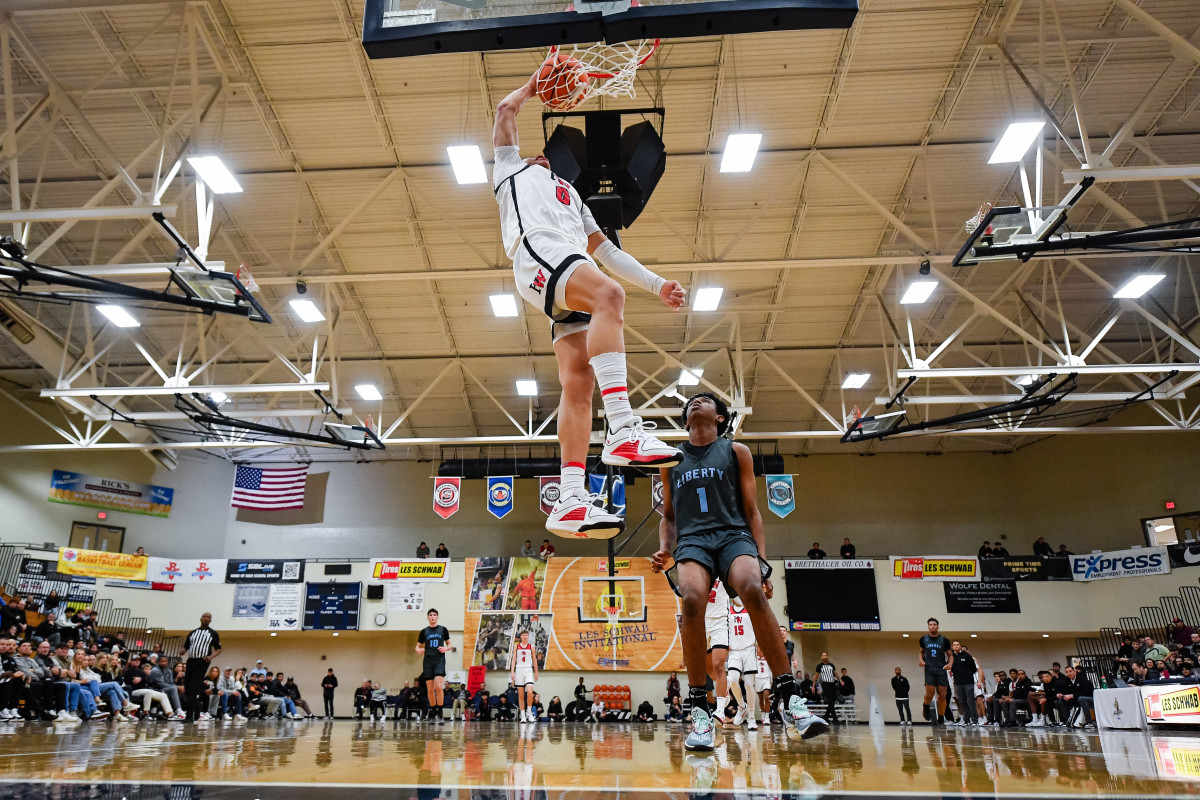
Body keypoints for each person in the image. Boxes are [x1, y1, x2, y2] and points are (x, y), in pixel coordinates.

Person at [492, 73, 686, 541]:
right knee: (610, 296)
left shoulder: (573, 195)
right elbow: (504, 111)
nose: (544, 157)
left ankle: (571, 498)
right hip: (539, 253)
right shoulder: (510, 169)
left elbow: (610, 254)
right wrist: (533, 87)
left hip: (572, 265)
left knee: (578, 383)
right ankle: (622, 427)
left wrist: (658, 284)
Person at [653, 391, 827, 752]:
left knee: (749, 586)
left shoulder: (736, 452)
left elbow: (753, 511)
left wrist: (762, 564)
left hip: (733, 534)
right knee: (692, 599)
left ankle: (791, 699)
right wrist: (665, 549)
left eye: (705, 400)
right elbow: (668, 517)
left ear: (720, 417)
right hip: (693, 541)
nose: (696, 402)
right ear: (686, 419)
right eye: (691, 403)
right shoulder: (670, 460)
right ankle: (700, 709)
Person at [181, 612, 221, 722]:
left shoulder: (213, 633)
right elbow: (186, 646)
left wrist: (211, 656)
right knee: (187, 687)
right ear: (201, 618)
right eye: (204, 616)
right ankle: (198, 706)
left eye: (208, 617)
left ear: (210, 620)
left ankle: (189, 716)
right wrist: (183, 651)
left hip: (203, 661)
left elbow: (218, 649)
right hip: (191, 661)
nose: (206, 618)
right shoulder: (193, 632)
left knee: (193, 686)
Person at [726, 598, 759, 730]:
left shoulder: (750, 608)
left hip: (749, 649)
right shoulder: (728, 610)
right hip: (734, 651)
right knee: (732, 679)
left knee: (749, 684)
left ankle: (751, 717)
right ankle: (741, 706)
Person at [703, 577, 732, 724]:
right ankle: (726, 684)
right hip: (701, 621)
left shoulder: (724, 569)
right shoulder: (699, 569)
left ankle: (720, 710)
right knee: (709, 669)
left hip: (720, 621)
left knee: (718, 664)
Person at [416, 608, 451, 724]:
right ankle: (432, 711)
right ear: (427, 617)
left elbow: (450, 645)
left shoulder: (443, 630)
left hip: (439, 660)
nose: (432, 616)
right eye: (430, 615)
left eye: (434, 615)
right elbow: (417, 646)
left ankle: (440, 713)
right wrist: (418, 649)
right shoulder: (424, 631)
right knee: (430, 689)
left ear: (437, 617)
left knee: (438, 685)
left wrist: (446, 648)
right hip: (428, 661)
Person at [918, 618, 952, 726]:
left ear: (938, 626)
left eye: (934, 624)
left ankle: (941, 717)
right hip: (929, 669)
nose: (932, 626)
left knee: (942, 695)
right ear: (928, 626)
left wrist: (950, 664)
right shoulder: (923, 639)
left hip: (941, 669)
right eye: (930, 624)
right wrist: (921, 660)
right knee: (930, 693)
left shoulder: (944, 640)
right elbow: (921, 653)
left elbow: (950, 655)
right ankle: (926, 705)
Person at [510, 629, 539, 723]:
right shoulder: (516, 646)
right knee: (521, 694)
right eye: (523, 635)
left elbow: (534, 660)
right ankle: (522, 715)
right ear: (520, 637)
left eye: (526, 635)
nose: (525, 636)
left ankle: (529, 712)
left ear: (528, 636)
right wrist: (512, 672)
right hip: (519, 670)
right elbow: (513, 660)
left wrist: (536, 672)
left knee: (530, 692)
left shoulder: (532, 647)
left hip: (528, 670)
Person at [949, 641, 981, 726]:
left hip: (968, 683)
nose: (956, 646)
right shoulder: (951, 657)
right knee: (962, 702)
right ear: (952, 647)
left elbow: (973, 668)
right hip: (958, 683)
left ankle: (975, 720)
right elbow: (951, 668)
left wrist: (967, 674)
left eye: (957, 645)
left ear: (960, 646)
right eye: (954, 645)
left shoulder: (966, 655)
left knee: (971, 701)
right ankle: (966, 720)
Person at [814, 652, 838, 724]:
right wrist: (813, 686)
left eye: (826, 655)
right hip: (825, 684)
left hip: (832, 684)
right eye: (823, 655)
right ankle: (835, 719)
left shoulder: (831, 665)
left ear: (827, 656)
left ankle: (826, 716)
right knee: (830, 701)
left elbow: (835, 674)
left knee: (832, 701)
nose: (825, 657)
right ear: (821, 657)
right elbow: (816, 676)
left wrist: (840, 680)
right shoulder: (819, 666)